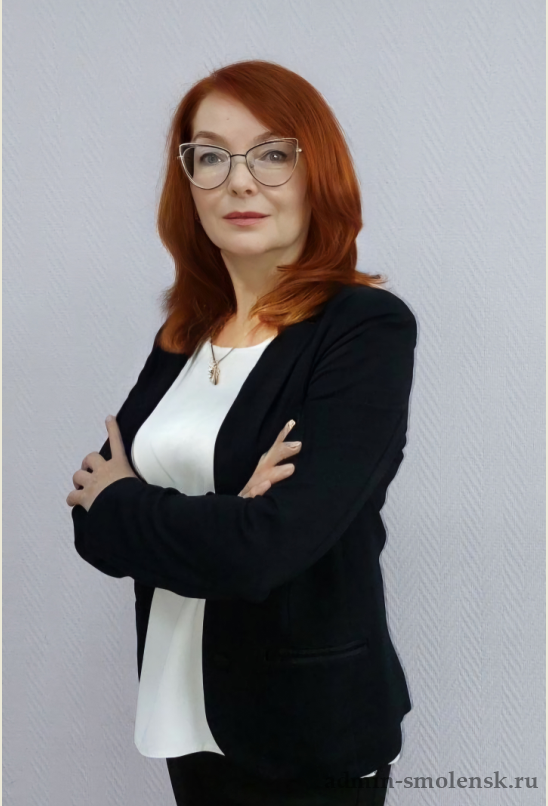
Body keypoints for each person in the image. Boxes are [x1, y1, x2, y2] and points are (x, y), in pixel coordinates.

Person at [67, 59, 417, 806]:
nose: (240, 182)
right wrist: (228, 512)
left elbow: (268, 550)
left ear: (316, 172)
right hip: (184, 711)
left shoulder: (363, 330)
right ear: (188, 182)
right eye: (211, 157)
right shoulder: (186, 335)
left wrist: (132, 501)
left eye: (271, 154)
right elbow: (88, 525)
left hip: (304, 734)